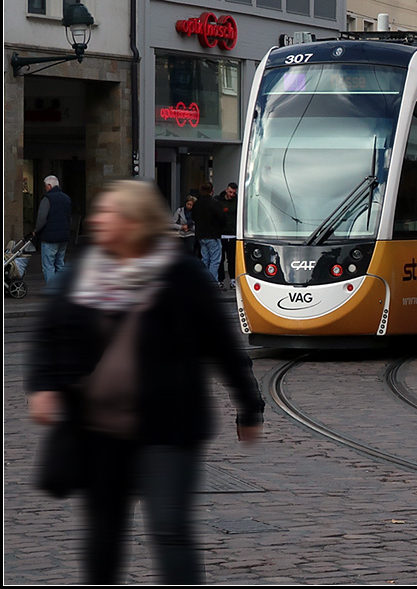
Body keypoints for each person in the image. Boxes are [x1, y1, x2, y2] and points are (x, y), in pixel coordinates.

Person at [25, 179, 264, 584]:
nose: (99, 220)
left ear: (135, 222)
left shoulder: (181, 276)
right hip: (99, 430)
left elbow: (222, 345)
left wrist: (250, 405)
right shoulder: (81, 275)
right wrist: (44, 385)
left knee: (170, 531)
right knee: (103, 535)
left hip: (169, 428)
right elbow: (51, 333)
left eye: (110, 214)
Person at [33, 175, 72, 292]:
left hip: (49, 237)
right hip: (63, 237)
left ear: (49, 186)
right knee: (60, 264)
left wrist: (36, 230)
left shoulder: (47, 198)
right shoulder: (66, 198)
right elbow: (69, 217)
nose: (45, 189)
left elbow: (42, 218)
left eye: (46, 186)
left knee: (48, 265)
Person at [191, 182, 223, 283]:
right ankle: (212, 283)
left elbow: (193, 217)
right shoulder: (214, 203)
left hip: (201, 235)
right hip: (213, 235)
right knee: (215, 260)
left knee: (205, 259)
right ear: (212, 190)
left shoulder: (197, 203)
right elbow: (222, 218)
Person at [215, 183, 238, 291]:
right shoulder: (219, 201)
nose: (232, 194)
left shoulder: (237, 201)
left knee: (232, 259)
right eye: (230, 192)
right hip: (221, 233)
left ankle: (233, 279)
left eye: (234, 193)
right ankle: (220, 280)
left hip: (233, 233)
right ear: (226, 190)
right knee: (220, 259)